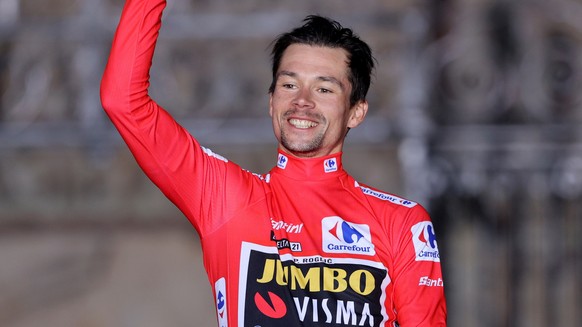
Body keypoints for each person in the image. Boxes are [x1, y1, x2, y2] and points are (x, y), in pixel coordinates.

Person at [100, 0, 447, 326]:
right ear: (271, 101)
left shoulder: (401, 223)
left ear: (355, 112)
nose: (302, 101)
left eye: (324, 89)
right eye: (289, 84)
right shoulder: (226, 198)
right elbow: (123, 102)